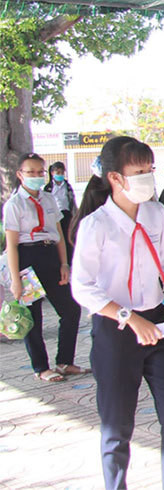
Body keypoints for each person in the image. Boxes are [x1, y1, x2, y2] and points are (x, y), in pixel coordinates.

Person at [69, 136, 164, 490]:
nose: (146, 179)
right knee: (116, 427)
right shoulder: (97, 225)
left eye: (149, 170)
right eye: (138, 171)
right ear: (115, 178)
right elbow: (83, 287)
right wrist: (130, 318)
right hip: (115, 329)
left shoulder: (155, 213)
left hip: (156, 323)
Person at [4, 153, 86, 383]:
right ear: (20, 175)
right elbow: (11, 243)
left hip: (50, 254)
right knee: (33, 316)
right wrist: (15, 278)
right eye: (30, 172)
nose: (36, 176)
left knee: (70, 309)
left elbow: (58, 233)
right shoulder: (14, 204)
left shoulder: (50, 199)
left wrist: (64, 263)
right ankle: (41, 367)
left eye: (40, 172)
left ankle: (64, 361)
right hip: (27, 257)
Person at [44, 160, 78, 263]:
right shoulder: (49, 188)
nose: (60, 175)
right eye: (57, 172)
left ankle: (69, 260)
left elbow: (72, 201)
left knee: (68, 238)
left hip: (66, 215)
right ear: (52, 173)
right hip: (54, 216)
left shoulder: (67, 186)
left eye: (62, 172)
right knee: (58, 238)